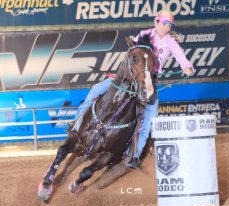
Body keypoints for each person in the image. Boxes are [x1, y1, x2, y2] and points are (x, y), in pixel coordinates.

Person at [72, 9, 194, 169]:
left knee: (150, 118)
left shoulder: (171, 42)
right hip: (130, 77)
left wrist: (187, 67)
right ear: (156, 22)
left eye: (169, 25)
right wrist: (120, 73)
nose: (166, 28)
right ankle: (77, 124)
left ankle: (134, 155)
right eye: (164, 24)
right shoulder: (144, 35)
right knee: (96, 89)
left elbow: (182, 58)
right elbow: (131, 54)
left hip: (148, 81)